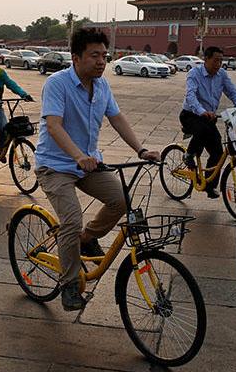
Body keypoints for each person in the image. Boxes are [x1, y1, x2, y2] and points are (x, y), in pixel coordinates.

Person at [34, 28, 160, 311]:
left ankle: (87, 239)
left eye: (104, 55)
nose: (102, 61)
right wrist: (78, 156)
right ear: (76, 58)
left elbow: (117, 118)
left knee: (121, 200)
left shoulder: (102, 86)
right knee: (71, 219)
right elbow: (54, 125)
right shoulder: (57, 84)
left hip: (89, 164)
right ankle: (68, 284)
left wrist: (141, 150)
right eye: (94, 55)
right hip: (55, 166)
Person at [180, 46, 236, 198]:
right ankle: (189, 154)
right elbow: (190, 95)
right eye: (216, 60)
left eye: (221, 60)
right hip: (190, 114)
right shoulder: (194, 74)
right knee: (202, 130)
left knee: (218, 152)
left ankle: (210, 186)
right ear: (206, 59)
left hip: (209, 118)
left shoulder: (222, 74)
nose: (219, 64)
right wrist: (202, 111)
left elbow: (232, 91)